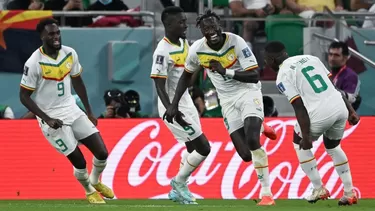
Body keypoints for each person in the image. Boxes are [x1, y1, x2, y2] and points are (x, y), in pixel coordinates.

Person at [164, 10, 276, 206]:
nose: (211, 31)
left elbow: (254, 75)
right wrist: (173, 104)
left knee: (252, 139)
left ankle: (267, 194)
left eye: (213, 26)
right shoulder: (197, 50)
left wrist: (227, 71)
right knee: (245, 156)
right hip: (227, 101)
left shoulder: (236, 42)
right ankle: (260, 125)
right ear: (201, 31)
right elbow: (186, 77)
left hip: (248, 92)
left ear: (220, 25)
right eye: (206, 28)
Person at [19, 18, 114, 204]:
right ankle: (88, 190)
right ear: (42, 36)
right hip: (52, 117)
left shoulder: (69, 53)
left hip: (71, 108)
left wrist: (88, 111)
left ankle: (95, 181)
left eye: (58, 33)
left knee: (102, 152)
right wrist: (46, 118)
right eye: (51, 34)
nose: (56, 37)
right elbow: (23, 97)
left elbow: (78, 81)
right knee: (79, 161)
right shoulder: (34, 63)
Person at [264, 41, 360, 206]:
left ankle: (318, 188)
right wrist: (351, 110)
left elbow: (299, 107)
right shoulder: (310, 58)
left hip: (320, 112)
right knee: (333, 147)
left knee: (298, 141)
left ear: (272, 59)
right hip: (339, 107)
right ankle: (349, 192)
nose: (266, 64)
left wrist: (306, 137)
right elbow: (333, 88)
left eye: (266, 60)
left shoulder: (282, 76)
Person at [150, 6, 211, 205]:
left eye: (185, 21)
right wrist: (171, 108)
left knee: (193, 147)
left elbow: (188, 80)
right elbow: (158, 84)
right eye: (181, 22)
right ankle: (179, 182)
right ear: (168, 25)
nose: (186, 25)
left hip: (186, 101)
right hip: (172, 106)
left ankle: (177, 190)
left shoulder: (185, 44)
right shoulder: (162, 51)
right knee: (203, 148)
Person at [328, 41, 361, 111]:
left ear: (345, 58)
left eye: (336, 55)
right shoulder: (327, 73)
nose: (332, 58)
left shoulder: (350, 75)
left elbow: (350, 99)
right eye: (330, 54)